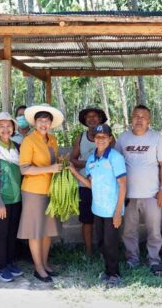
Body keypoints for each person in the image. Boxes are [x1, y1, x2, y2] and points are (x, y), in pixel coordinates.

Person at [69, 124, 127, 288]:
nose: (100, 139)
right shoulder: (92, 160)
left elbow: (123, 185)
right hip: (98, 208)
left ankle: (114, 274)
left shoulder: (116, 158)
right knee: (101, 241)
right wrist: (74, 173)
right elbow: (90, 184)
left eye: (104, 137)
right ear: (94, 139)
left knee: (111, 243)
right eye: (97, 137)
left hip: (111, 210)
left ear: (110, 139)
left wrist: (117, 212)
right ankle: (107, 271)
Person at [116, 105, 162, 276]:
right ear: (131, 118)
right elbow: (116, 163)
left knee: (154, 230)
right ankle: (133, 259)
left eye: (143, 117)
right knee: (128, 231)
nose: (139, 120)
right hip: (129, 195)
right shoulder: (123, 138)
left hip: (152, 194)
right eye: (136, 116)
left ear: (149, 120)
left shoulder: (156, 138)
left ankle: (154, 260)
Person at [18, 104, 64, 283]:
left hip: (51, 190)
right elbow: (24, 169)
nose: (43, 124)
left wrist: (60, 163)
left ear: (51, 123)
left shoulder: (52, 139)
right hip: (33, 191)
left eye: (47, 121)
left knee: (47, 231)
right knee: (36, 231)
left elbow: (54, 160)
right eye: (40, 121)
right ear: (35, 122)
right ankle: (38, 268)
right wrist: (50, 168)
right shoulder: (29, 141)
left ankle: (45, 264)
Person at [0, 112, 24, 282]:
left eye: (9, 126)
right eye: (1, 126)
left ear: (13, 128)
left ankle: (9, 263)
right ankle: (1, 268)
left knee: (11, 233)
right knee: (1, 234)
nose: (5, 129)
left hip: (15, 199)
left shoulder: (16, 146)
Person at [70, 106, 109, 257]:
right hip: (84, 185)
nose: (92, 119)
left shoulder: (107, 136)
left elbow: (111, 158)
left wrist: (87, 163)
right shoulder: (81, 137)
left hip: (104, 186)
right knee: (87, 220)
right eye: (88, 117)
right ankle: (89, 251)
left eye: (95, 116)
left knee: (104, 219)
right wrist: (91, 163)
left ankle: (104, 250)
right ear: (85, 121)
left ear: (100, 119)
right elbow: (73, 159)